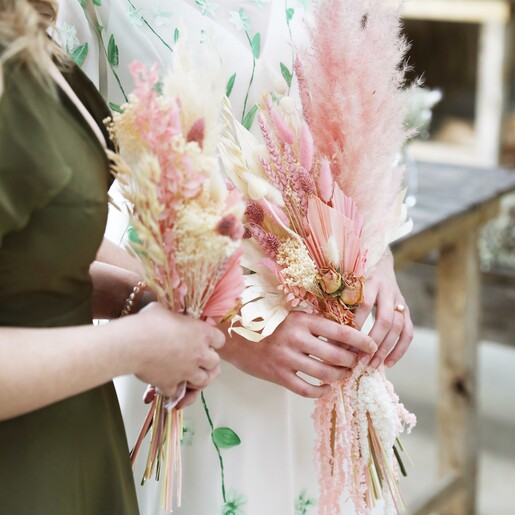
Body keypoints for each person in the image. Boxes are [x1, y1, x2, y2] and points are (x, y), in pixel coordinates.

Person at [55, 2, 414, 513]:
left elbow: (352, 133)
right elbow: (52, 215)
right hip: (191, 353)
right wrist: (225, 323)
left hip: (331, 358)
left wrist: (376, 259)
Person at [0, 1, 226, 513]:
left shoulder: (25, 27)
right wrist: (133, 346)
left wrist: (129, 296)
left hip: (75, 434)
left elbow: (23, 263)